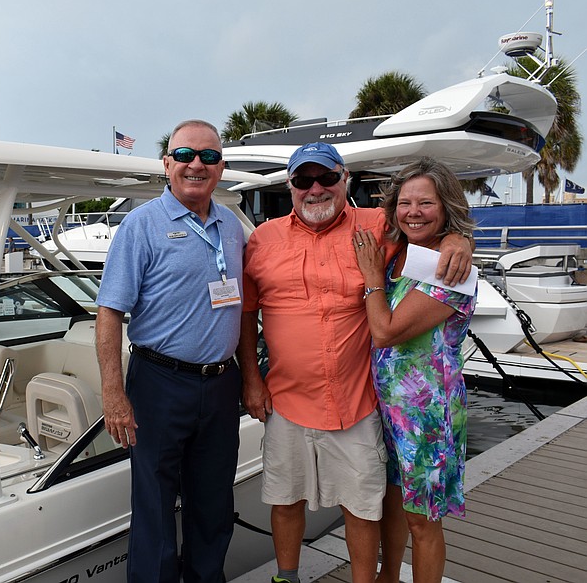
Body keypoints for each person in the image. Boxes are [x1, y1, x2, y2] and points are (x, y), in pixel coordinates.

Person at [237, 142, 473, 583]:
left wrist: (461, 239)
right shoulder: (262, 238)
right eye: (303, 180)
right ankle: (287, 577)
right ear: (290, 186)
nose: (316, 189)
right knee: (285, 498)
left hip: (365, 402)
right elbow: (247, 312)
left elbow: (429, 231)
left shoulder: (379, 226)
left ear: (345, 180)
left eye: (326, 178)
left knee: (364, 505)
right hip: (290, 398)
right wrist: (252, 378)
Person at [96, 119, 244, 582]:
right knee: (156, 510)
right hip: (159, 384)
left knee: (214, 504)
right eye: (184, 155)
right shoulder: (140, 225)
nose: (196, 165)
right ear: (167, 164)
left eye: (208, 156)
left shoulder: (233, 227)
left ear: (221, 167)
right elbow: (109, 314)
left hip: (221, 384)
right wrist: (113, 394)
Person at [352, 158, 477, 583]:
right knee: (393, 502)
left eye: (426, 202)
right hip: (388, 408)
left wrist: (371, 278)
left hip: (427, 412)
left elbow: (385, 331)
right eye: (405, 203)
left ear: (446, 207)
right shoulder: (402, 252)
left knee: (423, 518)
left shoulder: (451, 267)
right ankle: (389, 577)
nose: (414, 212)